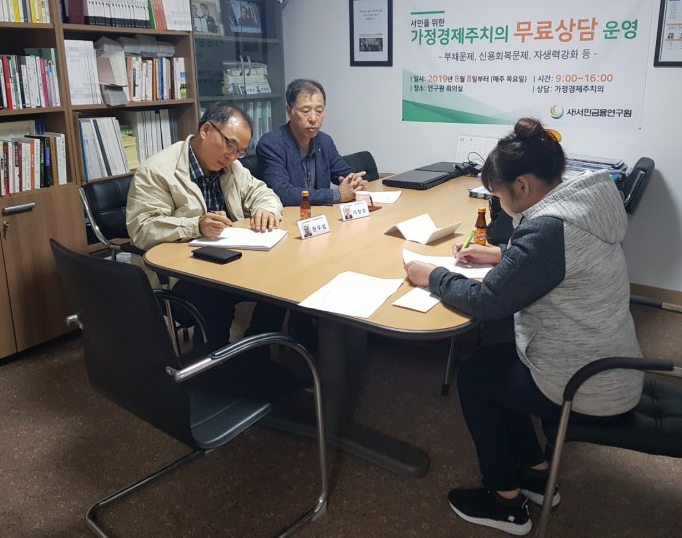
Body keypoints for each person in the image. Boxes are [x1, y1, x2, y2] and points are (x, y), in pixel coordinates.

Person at [404, 118, 643, 535]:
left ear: (522, 186)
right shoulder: (584, 203)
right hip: (609, 363)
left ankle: (506, 504)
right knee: (500, 366)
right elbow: (557, 259)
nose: (499, 204)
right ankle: (536, 474)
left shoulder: (548, 229)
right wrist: (502, 253)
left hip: (588, 384)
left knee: (476, 377)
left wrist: (434, 276)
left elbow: (487, 303)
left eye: (498, 196)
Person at [126, 103, 285, 349]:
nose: (232, 156)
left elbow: (263, 193)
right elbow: (142, 228)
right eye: (230, 144)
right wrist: (196, 226)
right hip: (180, 273)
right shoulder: (157, 171)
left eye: (240, 151)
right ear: (206, 130)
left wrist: (266, 209)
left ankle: (255, 351)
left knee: (280, 282)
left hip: (227, 261)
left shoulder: (232, 167)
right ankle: (212, 364)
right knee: (214, 300)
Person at [256, 79, 367, 206]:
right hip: (289, 215)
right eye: (305, 111)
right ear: (289, 111)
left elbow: (345, 173)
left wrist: (354, 181)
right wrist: (335, 195)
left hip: (320, 215)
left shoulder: (324, 141)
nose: (313, 118)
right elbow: (282, 193)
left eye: (319, 111)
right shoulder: (271, 144)